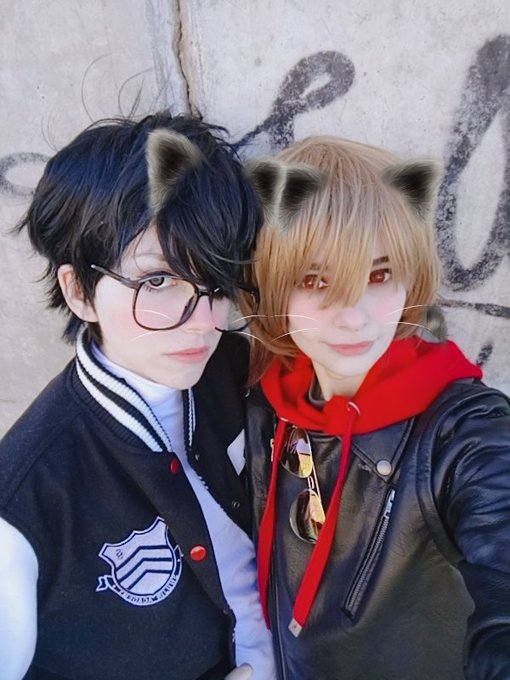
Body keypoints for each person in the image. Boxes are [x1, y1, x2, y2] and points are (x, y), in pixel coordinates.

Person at [0, 111, 276, 680]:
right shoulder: (27, 499)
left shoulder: (236, 368)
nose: (202, 321)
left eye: (217, 281)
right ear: (79, 292)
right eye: (158, 281)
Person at [243, 135, 510, 679]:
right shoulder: (262, 404)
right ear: (270, 285)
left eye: (379, 275)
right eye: (315, 280)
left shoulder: (462, 430)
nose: (354, 316)